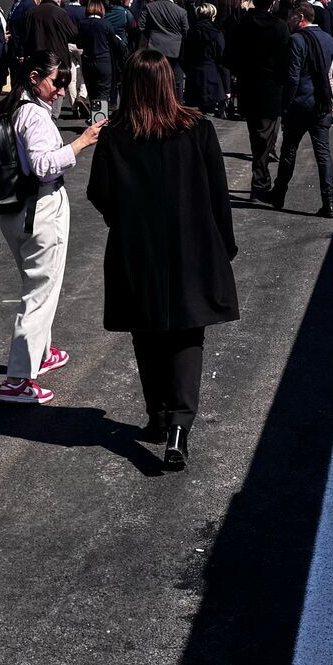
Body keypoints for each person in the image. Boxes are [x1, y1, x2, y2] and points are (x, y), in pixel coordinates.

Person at [86, 50, 238, 471]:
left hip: (138, 248)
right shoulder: (198, 129)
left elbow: (99, 193)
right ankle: (179, 427)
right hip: (193, 246)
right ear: (170, 83)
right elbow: (217, 194)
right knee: (188, 337)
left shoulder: (116, 134)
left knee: (146, 333)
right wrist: (223, 245)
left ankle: (157, 413)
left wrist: (126, 220)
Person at [0, 51, 102, 405]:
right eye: (58, 81)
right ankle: (17, 379)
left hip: (15, 210)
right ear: (34, 77)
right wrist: (81, 142)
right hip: (39, 208)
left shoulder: (15, 107)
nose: (62, 89)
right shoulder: (36, 117)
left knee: (36, 284)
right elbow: (43, 166)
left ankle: (40, 353)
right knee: (40, 292)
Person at [269, 2, 333, 217]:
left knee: (289, 150)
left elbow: (293, 77)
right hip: (321, 104)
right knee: (323, 154)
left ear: (300, 17)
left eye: (291, 16)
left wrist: (286, 104)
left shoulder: (296, 40)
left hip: (300, 104)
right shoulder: (327, 39)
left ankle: (279, 193)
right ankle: (328, 201)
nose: (288, 20)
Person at [230, 0, 292, 201]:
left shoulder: (241, 23)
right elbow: (286, 61)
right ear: (272, 1)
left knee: (256, 135)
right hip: (271, 87)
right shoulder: (279, 26)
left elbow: (232, 55)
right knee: (266, 137)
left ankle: (260, 180)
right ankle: (260, 182)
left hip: (248, 86)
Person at [181, 1, 229, 115]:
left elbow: (183, 55)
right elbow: (222, 59)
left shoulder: (190, 32)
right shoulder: (216, 33)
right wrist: (227, 87)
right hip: (212, 76)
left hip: (194, 75)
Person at [142, 0, 190, 94]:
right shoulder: (181, 12)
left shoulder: (150, 7)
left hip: (155, 48)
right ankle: (176, 105)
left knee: (155, 80)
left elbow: (141, 26)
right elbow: (186, 31)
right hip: (175, 50)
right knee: (176, 81)